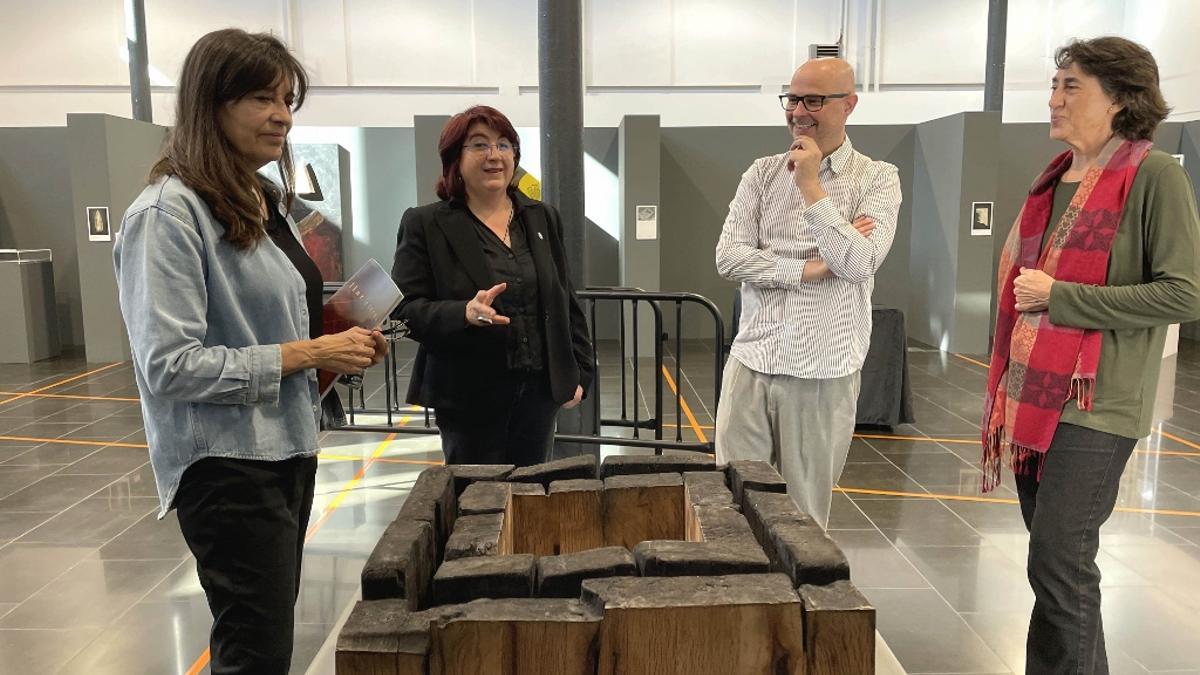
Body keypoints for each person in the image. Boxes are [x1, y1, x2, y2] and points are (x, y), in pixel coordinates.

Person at [113, 29, 386, 674]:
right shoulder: (167, 215)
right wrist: (306, 350)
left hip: (285, 447)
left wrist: (335, 344)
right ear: (212, 103)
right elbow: (169, 365)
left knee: (265, 641)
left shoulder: (259, 201)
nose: (283, 116)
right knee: (255, 650)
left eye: (288, 100)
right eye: (263, 99)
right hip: (228, 468)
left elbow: (274, 321)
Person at [981, 37, 1200, 674]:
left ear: (1122, 99)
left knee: (1059, 560)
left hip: (1097, 402)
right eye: (1054, 84)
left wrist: (1063, 296)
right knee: (1058, 566)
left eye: (1071, 86)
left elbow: (1183, 292)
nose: (1054, 99)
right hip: (1033, 395)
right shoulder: (1052, 180)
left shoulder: (1154, 175)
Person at [714, 58, 902, 528]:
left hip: (822, 371)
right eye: (792, 98)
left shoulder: (878, 178)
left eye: (813, 100)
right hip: (751, 361)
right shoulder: (760, 174)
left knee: (801, 520)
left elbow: (858, 264)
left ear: (849, 105)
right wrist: (808, 268)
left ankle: (794, 603)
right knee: (731, 506)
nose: (799, 111)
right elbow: (728, 258)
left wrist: (812, 187)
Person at [391, 105, 594, 466]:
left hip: (538, 393)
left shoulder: (540, 216)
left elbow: (564, 297)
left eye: (504, 145)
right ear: (455, 158)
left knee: (532, 494)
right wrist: (463, 313)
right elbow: (404, 309)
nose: (494, 156)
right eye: (479, 145)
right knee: (477, 502)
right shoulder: (426, 223)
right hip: (468, 394)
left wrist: (579, 370)